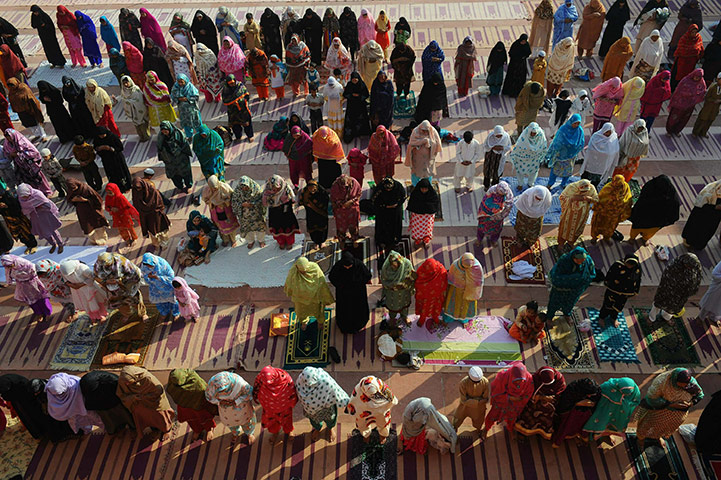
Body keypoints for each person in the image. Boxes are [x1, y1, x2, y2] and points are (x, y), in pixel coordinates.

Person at [636, 369, 703, 447]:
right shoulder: (662, 382)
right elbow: (652, 399)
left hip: (677, 416)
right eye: (681, 384)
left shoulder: (691, 383)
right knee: (646, 426)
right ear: (675, 379)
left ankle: (658, 436)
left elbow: (699, 395)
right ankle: (641, 439)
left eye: (686, 385)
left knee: (663, 429)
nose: (684, 387)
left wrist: (691, 403)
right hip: (659, 412)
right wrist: (670, 405)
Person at [0, 374, 75, 442]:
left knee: (41, 418)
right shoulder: (28, 389)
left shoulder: (47, 390)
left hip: (45, 409)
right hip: (29, 402)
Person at [117, 366, 174, 441]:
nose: (127, 384)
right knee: (147, 418)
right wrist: (133, 397)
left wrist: (144, 397)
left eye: (130, 382)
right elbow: (121, 395)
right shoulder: (123, 382)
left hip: (154, 403)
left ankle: (167, 430)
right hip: (140, 405)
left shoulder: (147, 379)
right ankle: (155, 429)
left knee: (160, 417)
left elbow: (158, 391)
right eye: (126, 383)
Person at [481, 363, 534, 440]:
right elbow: (495, 392)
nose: (518, 383)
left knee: (512, 418)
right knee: (492, 416)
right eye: (516, 380)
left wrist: (518, 400)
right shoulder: (502, 376)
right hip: (501, 402)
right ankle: (486, 429)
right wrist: (509, 398)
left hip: (515, 404)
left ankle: (510, 429)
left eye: (521, 380)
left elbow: (528, 394)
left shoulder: (529, 379)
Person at [296, 367, 349, 443]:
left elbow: (335, 388)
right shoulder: (300, 380)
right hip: (312, 411)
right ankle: (317, 429)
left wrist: (344, 402)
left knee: (330, 419)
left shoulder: (324, 379)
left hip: (327, 407)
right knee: (314, 421)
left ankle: (330, 428)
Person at [515, 367, 566, 440]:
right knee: (529, 413)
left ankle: (541, 432)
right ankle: (523, 432)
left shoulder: (559, 380)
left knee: (548, 413)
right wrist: (538, 397)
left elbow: (560, 393)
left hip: (549, 404)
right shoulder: (535, 379)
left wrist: (549, 398)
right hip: (533, 402)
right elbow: (529, 390)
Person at [205, 371, 256, 445]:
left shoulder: (239, 383)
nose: (223, 392)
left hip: (242, 409)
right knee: (232, 424)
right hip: (226, 412)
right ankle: (236, 433)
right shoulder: (212, 385)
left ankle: (249, 433)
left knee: (247, 422)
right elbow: (208, 397)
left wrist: (237, 401)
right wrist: (219, 402)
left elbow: (249, 394)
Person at [583, 377, 640, 442]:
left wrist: (624, 404)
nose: (623, 395)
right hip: (604, 411)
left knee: (612, 427)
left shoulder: (634, 390)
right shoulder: (607, 387)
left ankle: (606, 436)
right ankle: (596, 436)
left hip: (618, 415)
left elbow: (635, 401)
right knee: (601, 424)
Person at [628, 174, 680, 244]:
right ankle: (638, 238)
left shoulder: (652, 187)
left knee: (639, 229)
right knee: (645, 231)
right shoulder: (669, 195)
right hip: (651, 220)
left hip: (645, 218)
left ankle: (638, 239)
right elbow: (674, 214)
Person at [650, 253, 702, 322]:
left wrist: (688, 291)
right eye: (687, 265)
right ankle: (651, 318)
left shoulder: (695, 268)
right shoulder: (674, 266)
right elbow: (666, 278)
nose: (689, 267)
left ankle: (666, 317)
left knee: (672, 308)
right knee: (658, 304)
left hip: (680, 295)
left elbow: (697, 281)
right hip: (666, 290)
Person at [79, 371, 134, 436]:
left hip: (112, 399)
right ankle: (115, 430)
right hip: (101, 402)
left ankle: (130, 427)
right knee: (109, 417)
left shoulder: (113, 382)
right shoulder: (89, 385)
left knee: (121, 413)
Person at [94, 252, 146, 322]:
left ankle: (142, 313)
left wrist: (120, 281)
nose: (107, 266)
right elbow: (96, 277)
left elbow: (134, 274)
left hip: (127, 286)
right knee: (119, 303)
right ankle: (127, 314)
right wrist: (107, 282)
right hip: (114, 290)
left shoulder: (122, 262)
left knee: (135, 300)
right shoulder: (98, 266)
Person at [252, 366, 298, 445]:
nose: (268, 384)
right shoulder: (262, 380)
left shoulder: (286, 378)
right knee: (272, 422)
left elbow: (291, 391)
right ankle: (275, 433)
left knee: (287, 420)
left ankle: (288, 431)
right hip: (270, 409)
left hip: (285, 407)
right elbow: (258, 391)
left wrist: (291, 403)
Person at [346, 376, 398, 444]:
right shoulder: (358, 391)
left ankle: (383, 435)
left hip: (381, 413)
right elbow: (354, 403)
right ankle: (366, 436)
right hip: (363, 414)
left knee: (383, 423)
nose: (375, 397)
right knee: (362, 425)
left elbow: (391, 400)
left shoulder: (383, 388)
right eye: (371, 395)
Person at [547, 246, 596, 318]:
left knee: (570, 303)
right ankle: (549, 317)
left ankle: (567, 314)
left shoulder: (588, 261)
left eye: (583, 260)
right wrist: (574, 278)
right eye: (578, 260)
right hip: (561, 289)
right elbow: (556, 277)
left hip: (575, 291)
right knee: (554, 303)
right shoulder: (564, 260)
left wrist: (583, 280)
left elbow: (592, 274)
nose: (581, 262)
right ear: (573, 258)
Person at [284, 257, 334, 325]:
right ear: (297, 266)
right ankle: (304, 322)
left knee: (318, 311)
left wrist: (324, 295)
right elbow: (289, 283)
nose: (304, 272)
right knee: (301, 312)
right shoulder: (293, 271)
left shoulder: (315, 268)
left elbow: (321, 282)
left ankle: (320, 322)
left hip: (315, 299)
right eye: (302, 271)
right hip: (301, 300)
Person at [596, 253, 642, 327]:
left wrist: (636, 290)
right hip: (613, 290)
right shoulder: (617, 265)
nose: (630, 266)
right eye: (629, 264)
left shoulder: (637, 267)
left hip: (626, 292)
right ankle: (602, 317)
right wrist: (607, 283)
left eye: (632, 265)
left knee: (619, 306)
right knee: (608, 304)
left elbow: (638, 278)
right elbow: (609, 275)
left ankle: (613, 318)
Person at [552, 378, 601, 446]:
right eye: (588, 394)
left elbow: (596, 400)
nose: (589, 396)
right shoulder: (573, 389)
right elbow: (564, 405)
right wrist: (578, 403)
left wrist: (591, 404)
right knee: (568, 425)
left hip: (585, 414)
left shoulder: (596, 390)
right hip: (571, 415)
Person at [1, 254, 51, 321]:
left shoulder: (26, 264)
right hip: (24, 287)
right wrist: (9, 282)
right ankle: (39, 313)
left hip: (34, 284)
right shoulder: (9, 268)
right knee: (31, 301)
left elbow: (35, 271)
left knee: (42, 298)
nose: (9, 267)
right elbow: (8, 275)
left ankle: (47, 313)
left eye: (10, 265)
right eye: (7, 266)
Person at [17, 183, 63, 252]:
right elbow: (25, 209)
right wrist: (33, 208)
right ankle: (53, 244)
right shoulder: (21, 199)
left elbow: (47, 205)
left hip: (46, 215)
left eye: (25, 196)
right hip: (36, 218)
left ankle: (60, 244)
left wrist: (38, 206)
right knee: (44, 232)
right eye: (23, 196)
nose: (24, 198)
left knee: (53, 230)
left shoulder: (37, 194)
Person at [546, 114, 585, 190]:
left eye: (578, 123)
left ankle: (563, 183)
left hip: (571, 156)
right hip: (560, 155)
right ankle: (550, 183)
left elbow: (581, 143)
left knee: (568, 171)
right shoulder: (563, 129)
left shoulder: (579, 131)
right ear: (571, 121)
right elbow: (557, 141)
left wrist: (573, 148)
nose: (576, 125)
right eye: (575, 123)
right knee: (555, 171)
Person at [442, 253, 484, 324]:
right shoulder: (455, 266)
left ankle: (463, 319)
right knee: (453, 305)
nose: (466, 270)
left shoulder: (477, 267)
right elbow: (451, 278)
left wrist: (470, 284)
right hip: (455, 290)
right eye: (464, 267)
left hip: (470, 292)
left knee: (465, 307)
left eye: (468, 268)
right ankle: (448, 319)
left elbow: (479, 281)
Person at [65, 178, 108, 245]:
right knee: (88, 228)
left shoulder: (86, 189)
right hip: (83, 213)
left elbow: (98, 200)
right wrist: (73, 200)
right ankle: (94, 241)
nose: (74, 190)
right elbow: (69, 199)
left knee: (98, 225)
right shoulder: (71, 191)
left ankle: (102, 241)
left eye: (75, 187)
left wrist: (85, 200)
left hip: (92, 210)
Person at [262, 175, 300, 250]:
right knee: (277, 229)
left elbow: (293, 198)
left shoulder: (285, 187)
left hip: (286, 212)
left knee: (288, 228)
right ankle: (281, 242)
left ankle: (289, 243)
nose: (274, 189)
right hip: (274, 213)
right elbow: (265, 202)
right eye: (273, 187)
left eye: (276, 187)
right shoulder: (267, 191)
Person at [591, 175, 632, 243]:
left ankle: (606, 238)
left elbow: (628, 200)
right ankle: (595, 237)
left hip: (614, 216)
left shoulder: (626, 189)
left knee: (610, 228)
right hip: (602, 213)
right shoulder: (608, 188)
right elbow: (600, 198)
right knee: (597, 226)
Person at [131, 177, 171, 248]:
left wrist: (156, 210)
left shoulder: (152, 191)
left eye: (139, 188)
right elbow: (136, 205)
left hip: (157, 214)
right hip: (146, 217)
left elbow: (160, 203)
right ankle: (156, 244)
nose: (138, 190)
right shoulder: (135, 194)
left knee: (162, 230)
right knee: (153, 232)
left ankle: (164, 243)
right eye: (136, 188)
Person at [557, 180, 598, 248]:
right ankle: (561, 243)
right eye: (582, 191)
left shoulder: (591, 188)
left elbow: (596, 199)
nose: (583, 192)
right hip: (569, 213)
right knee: (565, 228)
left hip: (582, 215)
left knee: (578, 229)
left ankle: (571, 242)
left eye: (585, 191)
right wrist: (572, 198)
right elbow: (562, 197)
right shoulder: (571, 187)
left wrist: (589, 199)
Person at [202, 175, 239, 247]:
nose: (214, 189)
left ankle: (233, 240)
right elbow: (205, 199)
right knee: (220, 227)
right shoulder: (207, 190)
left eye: (215, 187)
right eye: (213, 188)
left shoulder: (224, 187)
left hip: (226, 210)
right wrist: (212, 202)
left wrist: (223, 202)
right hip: (215, 211)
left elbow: (231, 196)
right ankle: (225, 240)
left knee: (230, 225)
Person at [139, 253, 179, 321]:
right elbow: (144, 276)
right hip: (155, 288)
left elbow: (171, 277)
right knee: (158, 302)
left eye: (150, 265)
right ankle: (164, 313)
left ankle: (176, 313)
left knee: (172, 300)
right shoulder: (144, 266)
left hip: (166, 287)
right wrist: (149, 278)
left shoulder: (163, 264)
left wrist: (157, 277)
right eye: (148, 265)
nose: (149, 267)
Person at [667, 68, 706, 136]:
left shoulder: (701, 83)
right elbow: (678, 91)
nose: (696, 79)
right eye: (696, 76)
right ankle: (669, 131)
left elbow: (702, 91)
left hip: (690, 105)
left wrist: (695, 95)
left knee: (684, 119)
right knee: (674, 118)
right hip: (679, 104)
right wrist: (689, 94)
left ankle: (677, 131)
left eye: (698, 77)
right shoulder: (685, 81)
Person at [231, 176, 267, 249]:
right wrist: (242, 204)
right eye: (242, 187)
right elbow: (234, 202)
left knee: (260, 228)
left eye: (246, 187)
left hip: (257, 214)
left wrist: (252, 204)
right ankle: (250, 241)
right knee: (247, 229)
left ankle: (261, 241)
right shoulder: (238, 191)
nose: (244, 189)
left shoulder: (256, 188)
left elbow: (262, 200)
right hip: (245, 216)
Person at [156, 121, 193, 193]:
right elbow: (159, 148)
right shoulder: (160, 137)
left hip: (181, 159)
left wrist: (178, 151)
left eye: (166, 131)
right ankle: (179, 186)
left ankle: (188, 186)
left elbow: (185, 145)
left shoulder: (178, 134)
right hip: (170, 160)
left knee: (186, 173)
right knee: (174, 175)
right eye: (163, 131)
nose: (164, 133)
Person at [380, 251, 416, 325]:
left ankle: (404, 316)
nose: (395, 266)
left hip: (404, 292)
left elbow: (412, 276)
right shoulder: (386, 268)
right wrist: (394, 287)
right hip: (392, 294)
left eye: (397, 264)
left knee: (404, 306)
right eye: (393, 265)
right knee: (392, 307)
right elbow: (384, 280)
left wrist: (406, 285)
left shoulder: (407, 264)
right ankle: (392, 318)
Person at [685, 180, 721, 251]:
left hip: (713, 213)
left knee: (707, 229)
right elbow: (703, 206)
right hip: (706, 213)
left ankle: (696, 244)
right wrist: (715, 207)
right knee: (701, 228)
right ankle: (693, 244)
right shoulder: (711, 192)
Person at [579, 123, 619, 187]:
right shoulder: (596, 136)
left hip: (602, 166)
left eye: (609, 132)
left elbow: (616, 151)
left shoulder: (613, 138)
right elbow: (590, 149)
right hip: (591, 164)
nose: (608, 134)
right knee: (585, 180)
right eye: (606, 132)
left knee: (595, 183)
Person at [452, 366, 490, 434]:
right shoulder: (463, 383)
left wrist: (470, 400)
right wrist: (478, 401)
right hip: (465, 407)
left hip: (478, 409)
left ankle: (478, 431)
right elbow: (463, 400)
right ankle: (453, 432)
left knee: (479, 422)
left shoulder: (485, 382)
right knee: (456, 420)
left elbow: (485, 399)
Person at [372, 176, 406, 250]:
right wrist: (385, 206)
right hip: (383, 211)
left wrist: (396, 204)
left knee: (395, 225)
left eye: (390, 189)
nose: (388, 190)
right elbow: (374, 200)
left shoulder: (398, 187)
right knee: (382, 225)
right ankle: (381, 241)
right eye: (387, 189)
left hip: (395, 210)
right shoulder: (380, 189)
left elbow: (403, 197)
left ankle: (395, 240)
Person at [94, 127, 131, 193]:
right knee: (111, 173)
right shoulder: (97, 139)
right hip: (106, 159)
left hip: (117, 159)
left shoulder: (113, 137)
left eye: (103, 135)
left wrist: (110, 148)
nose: (101, 137)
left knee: (121, 173)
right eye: (100, 135)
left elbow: (120, 147)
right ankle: (114, 186)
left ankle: (125, 187)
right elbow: (95, 147)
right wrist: (99, 148)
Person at [476, 182, 514, 247]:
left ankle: (494, 240)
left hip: (498, 217)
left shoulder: (508, 195)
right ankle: (479, 239)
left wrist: (500, 215)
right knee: (482, 228)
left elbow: (508, 207)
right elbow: (485, 202)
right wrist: (490, 211)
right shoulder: (492, 190)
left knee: (497, 229)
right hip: (486, 215)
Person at [512, 123, 547, 192]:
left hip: (534, 159)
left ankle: (530, 183)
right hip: (522, 158)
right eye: (531, 133)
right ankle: (520, 184)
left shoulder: (540, 135)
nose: (533, 135)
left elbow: (543, 146)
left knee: (533, 172)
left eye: (534, 133)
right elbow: (519, 146)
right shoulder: (524, 136)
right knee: (520, 171)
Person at [406, 120, 442, 186]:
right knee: (416, 172)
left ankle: (428, 185)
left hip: (428, 158)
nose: (425, 132)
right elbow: (411, 143)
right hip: (417, 158)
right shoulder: (415, 131)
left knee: (428, 172)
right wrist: (422, 141)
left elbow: (437, 143)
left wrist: (430, 142)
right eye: (423, 130)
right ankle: (415, 185)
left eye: (426, 130)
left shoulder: (433, 131)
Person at [406, 178, 440, 249]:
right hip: (418, 218)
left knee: (427, 229)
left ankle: (426, 240)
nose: (424, 190)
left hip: (428, 217)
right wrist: (425, 207)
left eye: (425, 189)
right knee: (417, 230)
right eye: (422, 189)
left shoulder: (432, 195)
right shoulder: (415, 194)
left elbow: (435, 205)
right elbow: (412, 204)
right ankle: (417, 241)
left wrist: (423, 207)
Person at [104, 182, 139, 247]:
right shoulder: (108, 198)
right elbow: (106, 206)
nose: (109, 194)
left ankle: (134, 238)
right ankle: (127, 239)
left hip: (124, 215)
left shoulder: (120, 197)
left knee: (129, 227)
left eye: (110, 192)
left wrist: (118, 209)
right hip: (116, 216)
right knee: (121, 229)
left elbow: (127, 206)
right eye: (108, 192)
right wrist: (111, 209)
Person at [221, 75, 253, 143]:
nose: (232, 85)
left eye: (233, 83)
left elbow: (246, 95)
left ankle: (250, 136)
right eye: (230, 83)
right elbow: (225, 100)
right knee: (235, 125)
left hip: (242, 109)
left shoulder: (240, 86)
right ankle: (238, 136)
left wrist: (241, 101)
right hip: (233, 110)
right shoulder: (226, 89)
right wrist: (232, 102)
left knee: (247, 123)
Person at [330, 174, 362, 242]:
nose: (345, 186)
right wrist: (343, 204)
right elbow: (333, 199)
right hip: (340, 210)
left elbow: (358, 193)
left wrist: (351, 201)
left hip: (352, 208)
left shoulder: (354, 183)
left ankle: (354, 237)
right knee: (341, 227)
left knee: (353, 225)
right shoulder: (335, 186)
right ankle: (342, 238)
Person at [170, 73, 201, 141]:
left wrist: (187, 99)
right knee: (186, 124)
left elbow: (196, 96)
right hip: (183, 110)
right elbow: (173, 95)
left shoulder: (190, 87)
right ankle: (189, 136)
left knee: (196, 122)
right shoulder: (175, 87)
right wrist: (178, 99)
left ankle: (200, 135)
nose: (180, 83)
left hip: (192, 109)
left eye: (182, 81)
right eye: (179, 81)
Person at [117, 76, 149, 141]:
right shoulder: (123, 91)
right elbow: (123, 99)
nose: (126, 84)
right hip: (132, 111)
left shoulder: (136, 90)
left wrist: (129, 102)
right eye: (124, 83)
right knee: (137, 125)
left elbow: (139, 100)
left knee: (142, 123)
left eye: (127, 82)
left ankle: (146, 136)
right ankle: (141, 136)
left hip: (139, 110)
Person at [342, 72, 371, 142]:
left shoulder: (362, 84)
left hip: (360, 106)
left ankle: (361, 133)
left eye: (356, 80)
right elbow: (345, 94)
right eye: (353, 80)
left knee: (361, 120)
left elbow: (366, 94)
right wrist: (352, 95)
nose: (354, 81)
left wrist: (359, 96)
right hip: (351, 106)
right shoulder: (349, 85)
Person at [298, 181, 328, 247]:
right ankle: (316, 242)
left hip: (321, 214)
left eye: (314, 189)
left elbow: (325, 201)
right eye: (310, 189)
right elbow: (301, 201)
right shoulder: (305, 192)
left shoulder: (322, 192)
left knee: (322, 227)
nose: (312, 191)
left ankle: (322, 241)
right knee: (313, 228)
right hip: (311, 214)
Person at [693, 73, 721, 137]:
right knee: (702, 120)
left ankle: (703, 133)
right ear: (718, 79)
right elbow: (707, 97)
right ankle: (696, 132)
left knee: (709, 121)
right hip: (708, 107)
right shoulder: (713, 87)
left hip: (715, 109)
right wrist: (714, 100)